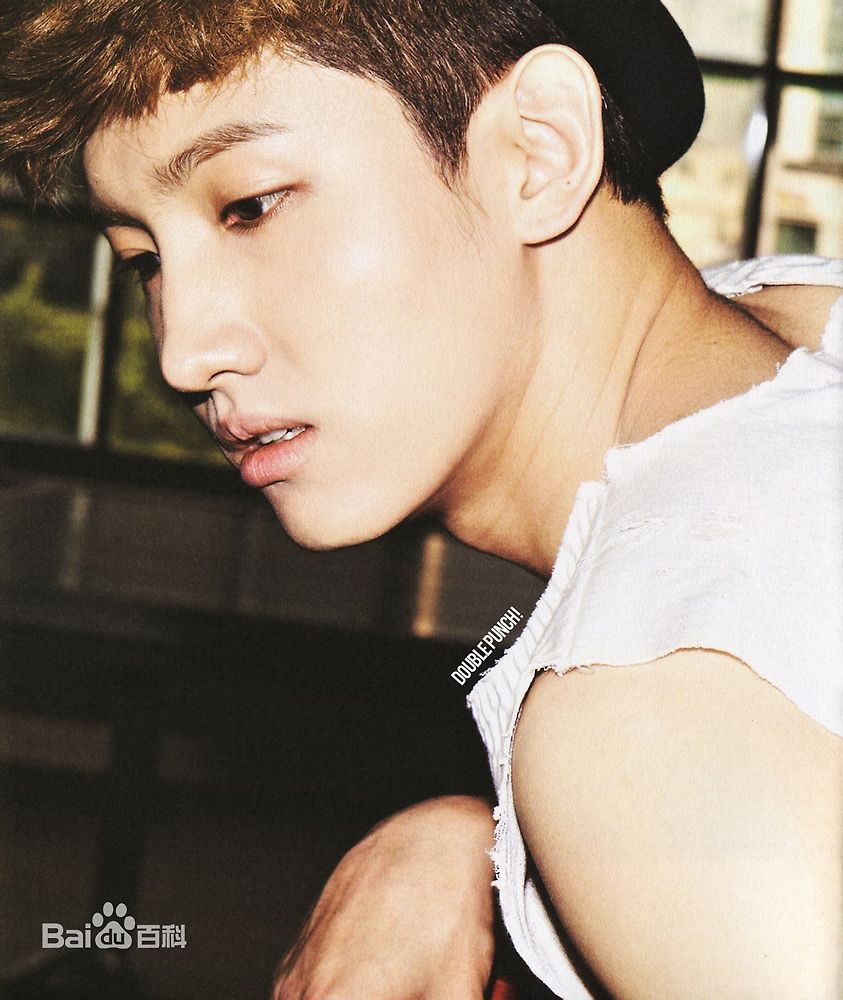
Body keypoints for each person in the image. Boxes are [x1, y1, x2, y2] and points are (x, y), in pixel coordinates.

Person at [1, 1, 841, 997]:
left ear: (538, 150)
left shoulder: (646, 717)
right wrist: (477, 840)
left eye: (252, 207)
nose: (184, 353)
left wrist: (575, 807)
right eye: (144, 261)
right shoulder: (795, 310)